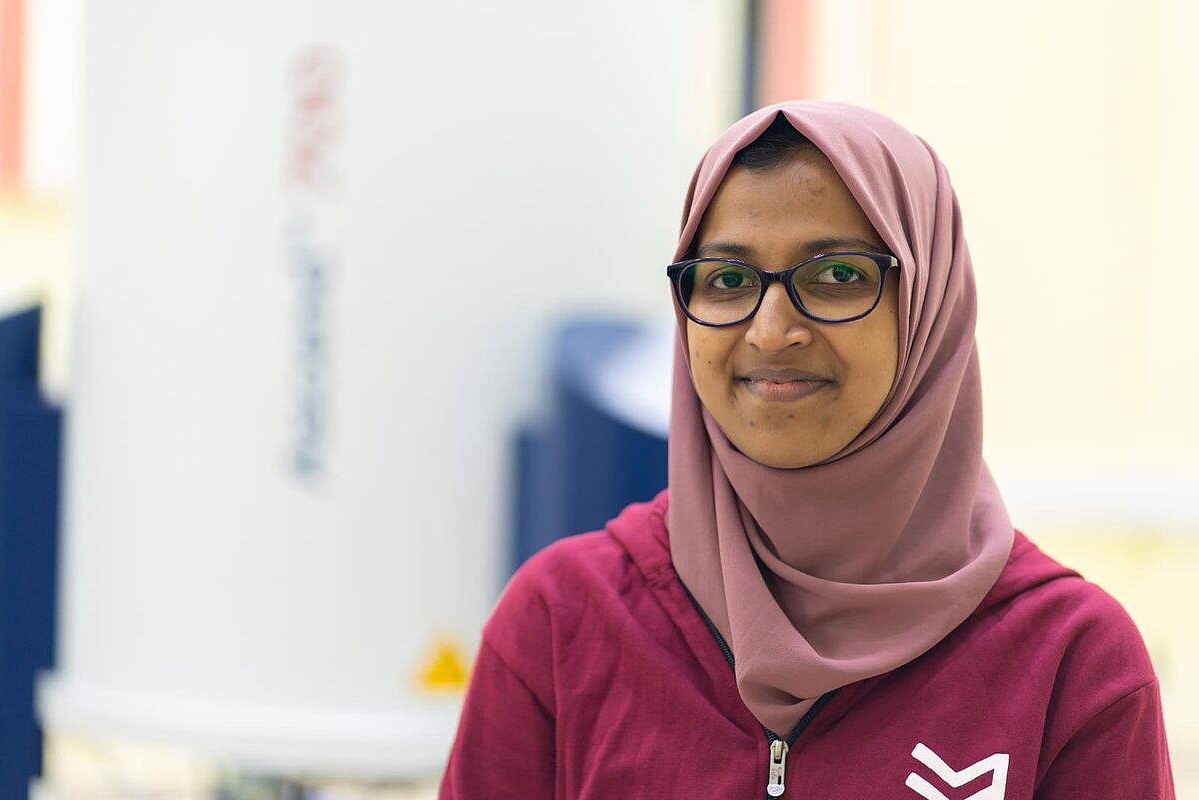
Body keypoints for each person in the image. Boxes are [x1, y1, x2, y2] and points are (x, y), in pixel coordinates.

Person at [438, 101, 1175, 799]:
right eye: (728, 280)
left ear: (929, 303)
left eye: (837, 275)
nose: (771, 332)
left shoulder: (1070, 662)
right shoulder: (563, 621)